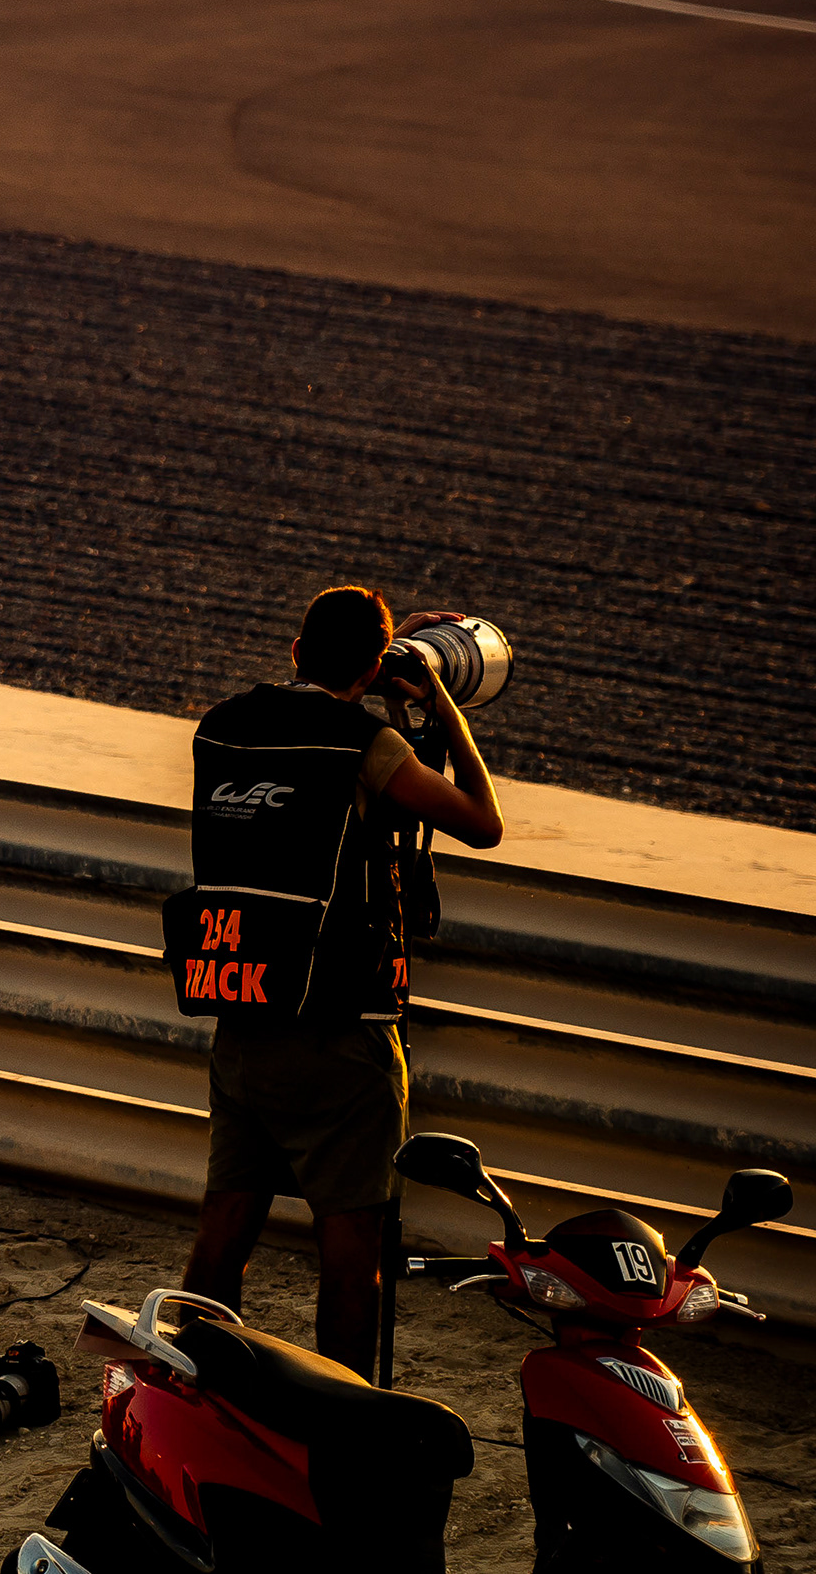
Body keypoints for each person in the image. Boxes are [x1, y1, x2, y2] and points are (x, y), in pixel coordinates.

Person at [177, 585, 503, 1376]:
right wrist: (446, 714)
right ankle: (346, 1423)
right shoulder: (366, 744)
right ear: (371, 670)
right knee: (352, 1252)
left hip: (245, 1013)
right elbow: (482, 823)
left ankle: (184, 1380)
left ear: (295, 651)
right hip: (341, 1034)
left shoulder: (220, 727)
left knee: (225, 1226)